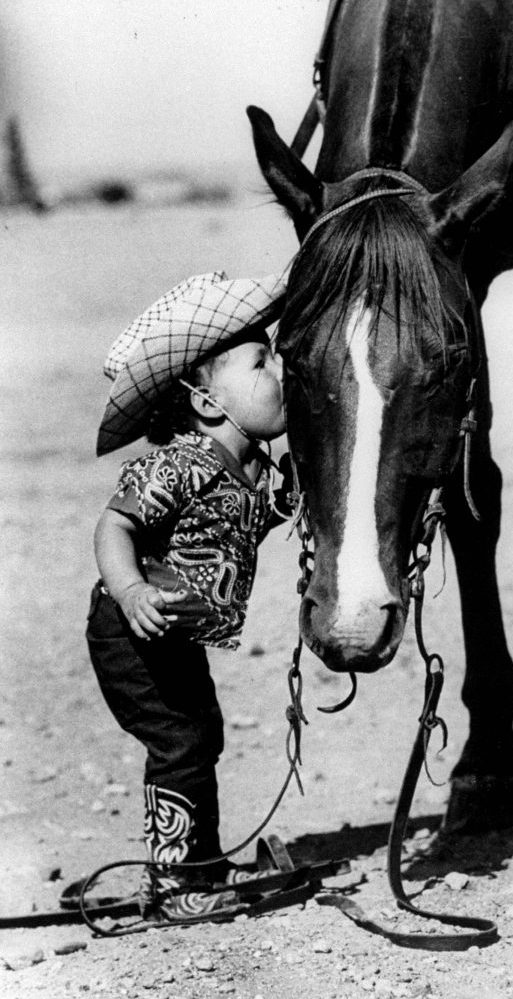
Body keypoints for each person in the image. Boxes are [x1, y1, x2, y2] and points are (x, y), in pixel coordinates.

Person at [87, 270, 290, 922]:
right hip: (133, 627)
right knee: (180, 741)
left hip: (175, 632)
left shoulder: (256, 471)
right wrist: (130, 588)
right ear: (207, 403)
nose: (280, 371)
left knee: (201, 734)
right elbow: (114, 524)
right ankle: (177, 882)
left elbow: (290, 505)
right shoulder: (180, 464)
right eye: (263, 362)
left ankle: (196, 862)